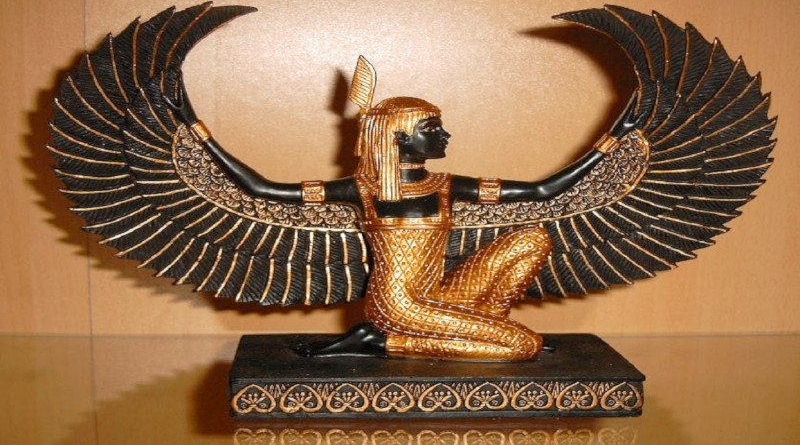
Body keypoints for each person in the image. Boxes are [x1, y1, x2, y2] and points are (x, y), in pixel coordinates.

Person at [165, 73, 641, 361]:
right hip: (398, 306)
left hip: (442, 295)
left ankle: (484, 331)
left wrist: (612, 138)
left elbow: (542, 191)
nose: (445, 135)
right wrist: (194, 126)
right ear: (399, 138)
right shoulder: (362, 190)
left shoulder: (447, 184)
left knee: (532, 238)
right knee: (524, 348)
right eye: (433, 128)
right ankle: (385, 343)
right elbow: (262, 189)